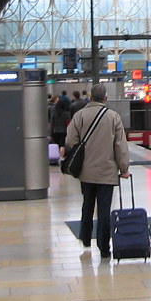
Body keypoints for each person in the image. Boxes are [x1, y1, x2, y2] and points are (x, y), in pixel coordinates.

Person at [65, 83, 129, 259]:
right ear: (105, 98)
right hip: (107, 172)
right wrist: (124, 168)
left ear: (90, 98)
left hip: (86, 171)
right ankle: (104, 248)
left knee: (87, 205)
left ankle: (85, 239)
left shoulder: (80, 116)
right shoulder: (113, 117)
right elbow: (120, 146)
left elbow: (70, 140)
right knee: (104, 210)